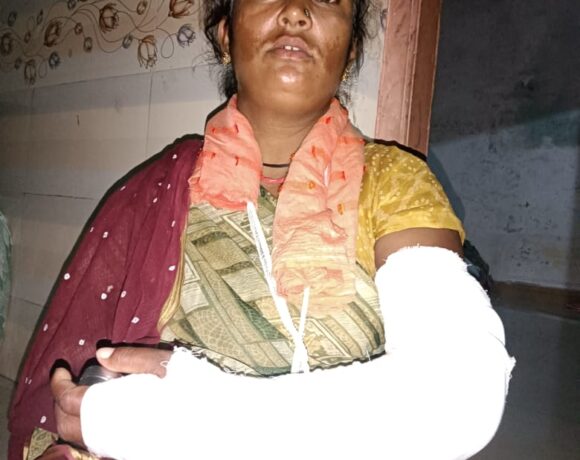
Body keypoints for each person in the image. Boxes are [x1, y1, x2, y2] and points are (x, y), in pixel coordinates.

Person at [9, 1, 515, 459]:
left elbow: (457, 397)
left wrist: (180, 421)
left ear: (351, 50)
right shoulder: (155, 191)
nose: (296, 11)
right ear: (226, 35)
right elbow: (65, 406)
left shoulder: (394, 180)